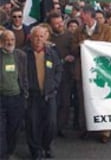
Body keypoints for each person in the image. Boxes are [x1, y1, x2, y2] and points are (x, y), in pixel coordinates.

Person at [71, 4, 111, 143]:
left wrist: (91, 44)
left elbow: (110, 48)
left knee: (102, 99)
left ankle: (105, 131)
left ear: (89, 15)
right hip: (83, 71)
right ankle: (86, 128)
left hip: (101, 72)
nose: (80, 17)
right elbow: (72, 49)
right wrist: (80, 45)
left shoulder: (106, 30)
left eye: (82, 15)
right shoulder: (78, 31)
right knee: (84, 100)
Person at [25, 26, 62, 159]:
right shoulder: (25, 53)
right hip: (32, 95)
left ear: (45, 37)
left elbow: (58, 69)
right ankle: (36, 151)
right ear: (31, 38)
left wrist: (55, 85)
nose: (39, 39)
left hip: (49, 94)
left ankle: (46, 147)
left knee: (51, 123)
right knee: (33, 124)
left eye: (41, 36)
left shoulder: (51, 53)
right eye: (36, 36)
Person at [0, 30, 28, 160]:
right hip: (1, 98)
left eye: (12, 39)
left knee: (14, 128)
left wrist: (25, 95)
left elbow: (25, 76)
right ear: (1, 41)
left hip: (16, 98)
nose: (9, 42)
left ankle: (10, 151)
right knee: (1, 129)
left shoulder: (21, 55)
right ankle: (3, 154)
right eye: (7, 39)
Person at [46, 12, 75, 137]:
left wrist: (72, 56)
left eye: (60, 22)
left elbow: (75, 51)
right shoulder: (48, 38)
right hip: (51, 75)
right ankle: (51, 126)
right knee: (53, 103)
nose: (59, 25)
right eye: (56, 24)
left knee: (65, 102)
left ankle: (60, 127)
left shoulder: (70, 36)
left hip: (66, 74)